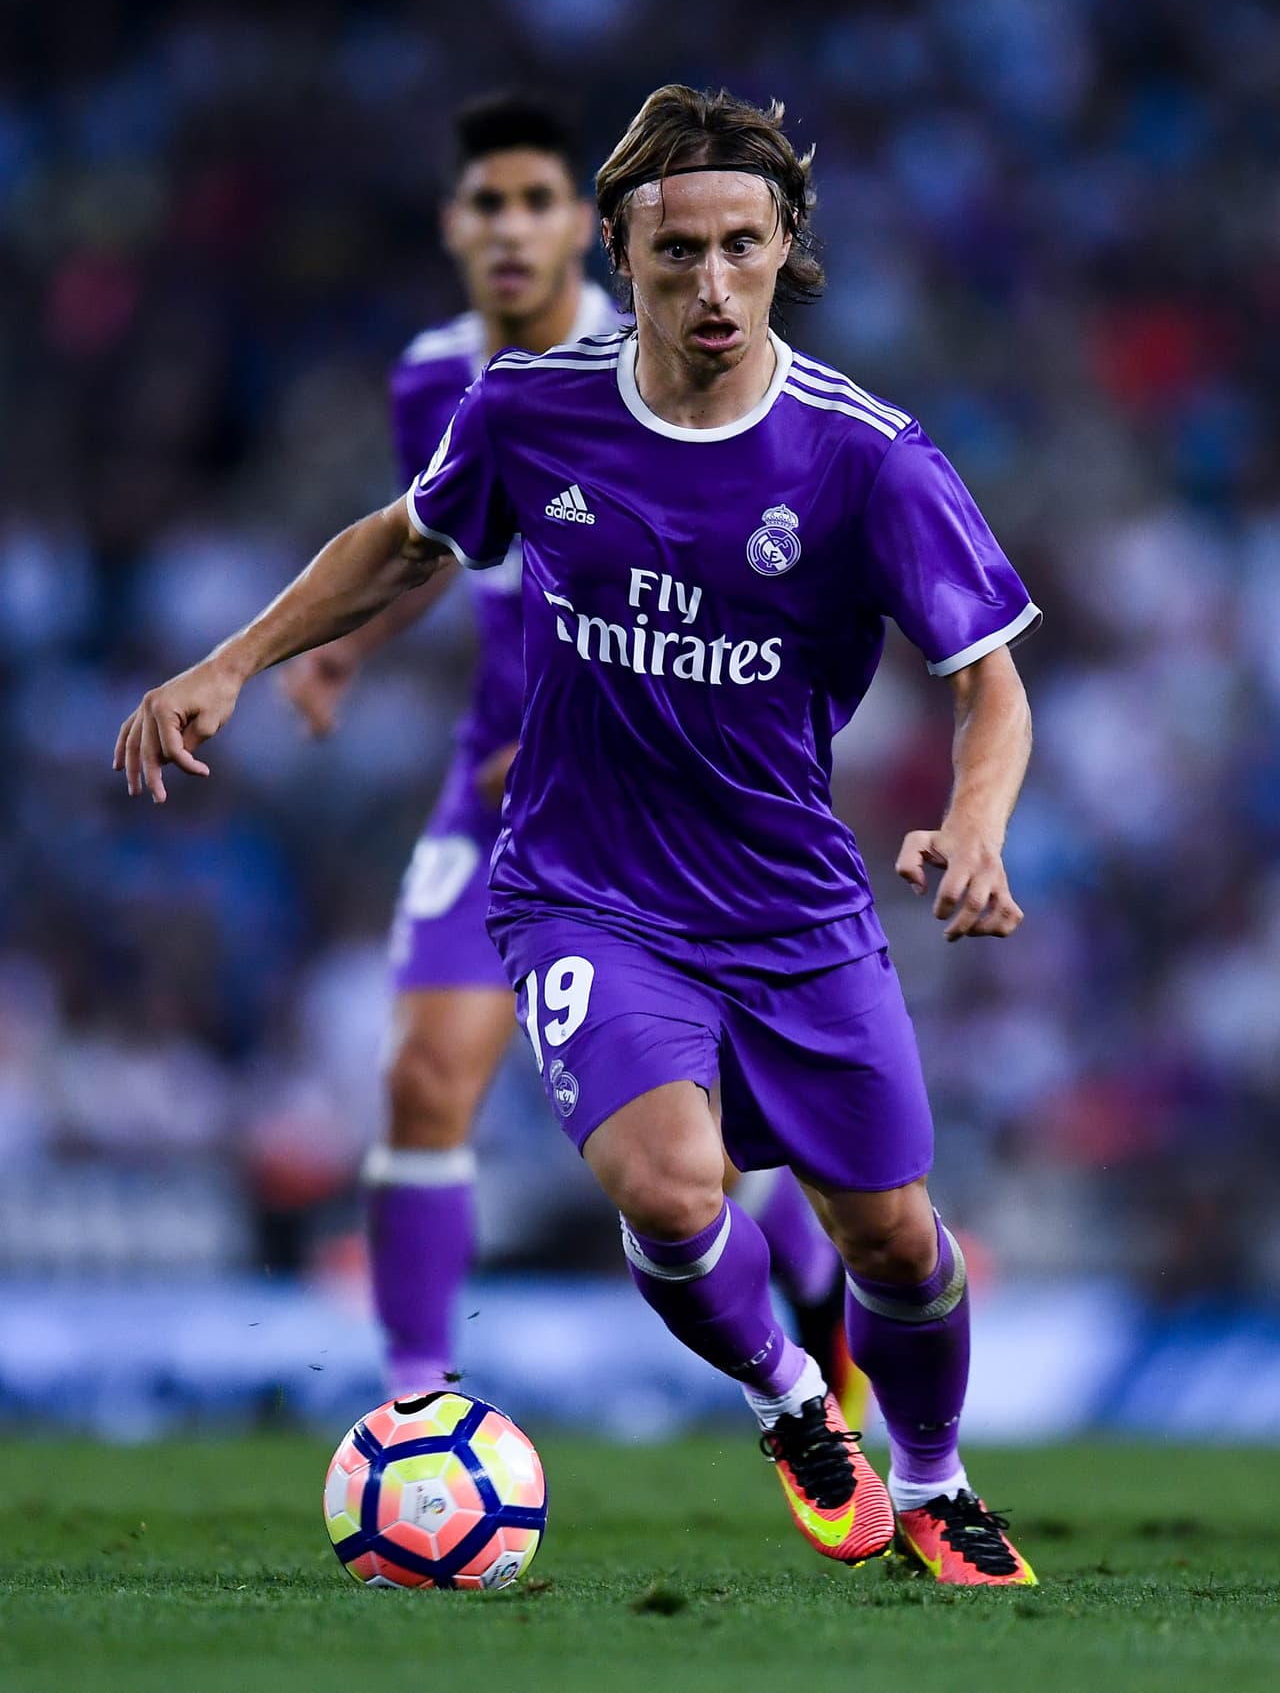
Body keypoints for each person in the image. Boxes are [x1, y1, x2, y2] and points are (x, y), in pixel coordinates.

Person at [115, 83, 1040, 1585]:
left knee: (894, 1245)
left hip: (795, 908)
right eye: (679, 255)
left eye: (744, 246)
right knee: (672, 1190)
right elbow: (399, 541)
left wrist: (975, 824)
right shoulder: (535, 407)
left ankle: (933, 1475)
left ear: (787, 243)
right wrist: (236, 660)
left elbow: (990, 682)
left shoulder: (868, 458)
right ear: (625, 255)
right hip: (584, 891)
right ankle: (795, 1405)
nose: (714, 283)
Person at [276, 92, 855, 1415]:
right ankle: (417, 1409)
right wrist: (347, 647)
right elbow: (447, 528)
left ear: (585, 232)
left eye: (539, 201)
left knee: (718, 1149)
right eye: (489, 203)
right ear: (455, 224)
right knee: (423, 1077)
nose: (512, 230)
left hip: (648, 802)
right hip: (497, 788)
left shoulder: (662, 365)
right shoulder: (436, 376)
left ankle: (815, 1284)